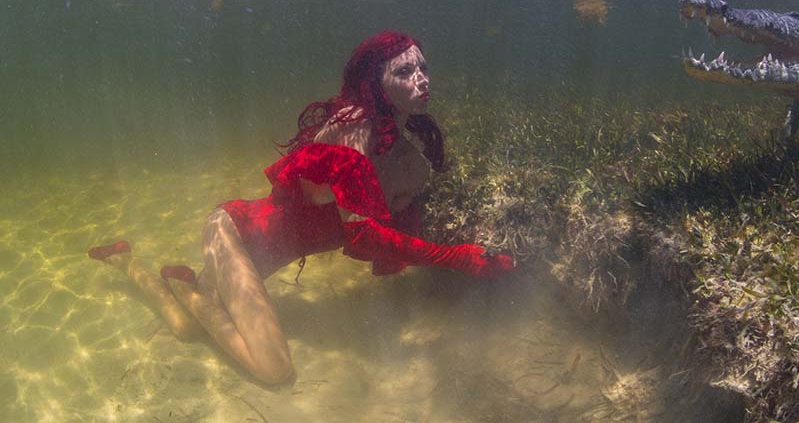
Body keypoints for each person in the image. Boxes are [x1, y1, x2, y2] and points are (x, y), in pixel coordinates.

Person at [88, 31, 514, 385]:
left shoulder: (401, 145)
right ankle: (183, 286)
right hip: (233, 233)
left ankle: (130, 264)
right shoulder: (352, 128)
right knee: (275, 371)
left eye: (424, 68)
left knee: (187, 329)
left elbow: (399, 215)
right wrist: (457, 258)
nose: (421, 79)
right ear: (375, 81)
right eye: (405, 70)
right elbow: (362, 236)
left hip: (258, 256)